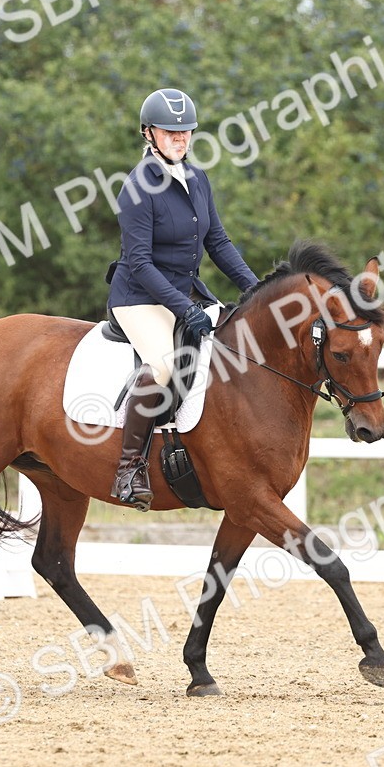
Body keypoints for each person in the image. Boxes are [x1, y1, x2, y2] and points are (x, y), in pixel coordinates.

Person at [105, 87, 259, 510]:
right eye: (169, 131)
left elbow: (218, 242)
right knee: (163, 365)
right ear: (148, 133)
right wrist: (184, 308)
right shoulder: (136, 187)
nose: (180, 138)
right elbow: (139, 262)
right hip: (140, 297)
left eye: (186, 131)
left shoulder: (197, 178)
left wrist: (255, 289)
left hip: (186, 292)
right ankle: (129, 468)